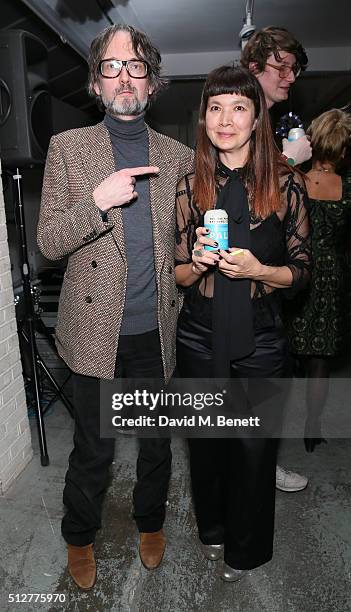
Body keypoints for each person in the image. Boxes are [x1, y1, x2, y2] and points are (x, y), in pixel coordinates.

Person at [37, 24, 194, 590]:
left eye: (135, 67)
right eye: (111, 66)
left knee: (156, 446)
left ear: (151, 82)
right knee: (93, 450)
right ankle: (80, 536)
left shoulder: (179, 156)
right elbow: (49, 242)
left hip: (156, 329)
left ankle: (151, 523)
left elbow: (182, 242)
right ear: (96, 83)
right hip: (93, 328)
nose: (124, 76)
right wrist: (98, 203)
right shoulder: (68, 149)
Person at [175, 65, 310, 581]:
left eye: (238, 107)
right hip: (199, 333)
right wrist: (198, 263)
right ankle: (211, 528)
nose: (225, 119)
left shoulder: (286, 183)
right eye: (215, 107)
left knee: (253, 450)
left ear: (256, 119)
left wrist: (261, 271)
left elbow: (301, 274)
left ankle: (244, 550)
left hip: (260, 337)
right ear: (203, 119)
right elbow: (179, 275)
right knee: (206, 444)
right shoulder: (190, 185)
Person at [242, 25, 312, 490]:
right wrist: (290, 163)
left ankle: (259, 464)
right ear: (254, 67)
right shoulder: (242, 114)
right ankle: (249, 469)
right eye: (280, 66)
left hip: (267, 275)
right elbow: (240, 191)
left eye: (295, 68)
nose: (290, 76)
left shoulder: (275, 120)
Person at [286, 108, 351, 451]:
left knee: (285, 348)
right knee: (320, 361)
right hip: (331, 279)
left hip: (297, 272)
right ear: (342, 150)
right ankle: (313, 424)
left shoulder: (294, 179)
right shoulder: (348, 187)